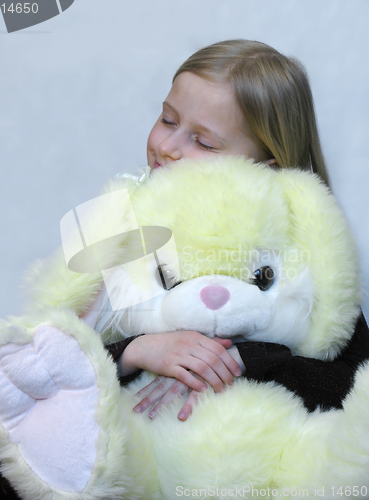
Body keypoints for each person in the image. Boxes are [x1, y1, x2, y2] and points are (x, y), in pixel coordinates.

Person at [103, 39, 369, 421]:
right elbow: (49, 355)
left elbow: (352, 384)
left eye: (204, 141)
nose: (166, 146)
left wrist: (247, 360)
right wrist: (136, 351)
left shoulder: (308, 251)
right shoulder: (121, 219)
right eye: (168, 120)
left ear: (266, 166)